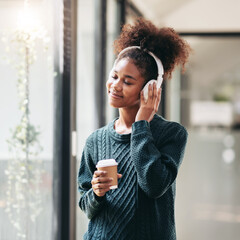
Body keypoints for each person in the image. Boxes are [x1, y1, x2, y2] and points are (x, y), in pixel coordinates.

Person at [78, 18, 191, 240]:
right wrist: (97, 193)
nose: (116, 86)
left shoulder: (172, 134)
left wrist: (141, 125)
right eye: (114, 76)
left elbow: (154, 185)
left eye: (128, 82)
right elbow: (86, 206)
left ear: (150, 88)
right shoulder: (95, 140)